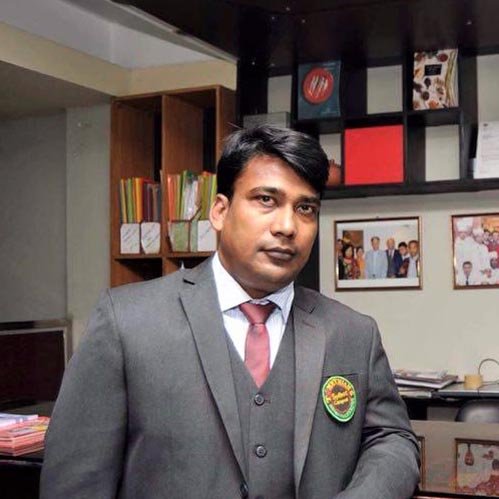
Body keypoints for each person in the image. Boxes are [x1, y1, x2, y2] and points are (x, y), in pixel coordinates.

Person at [40, 126, 420, 499]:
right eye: (266, 200)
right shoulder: (127, 322)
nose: (287, 226)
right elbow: (77, 480)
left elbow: (393, 440)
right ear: (220, 211)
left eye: (305, 208)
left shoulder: (353, 333)